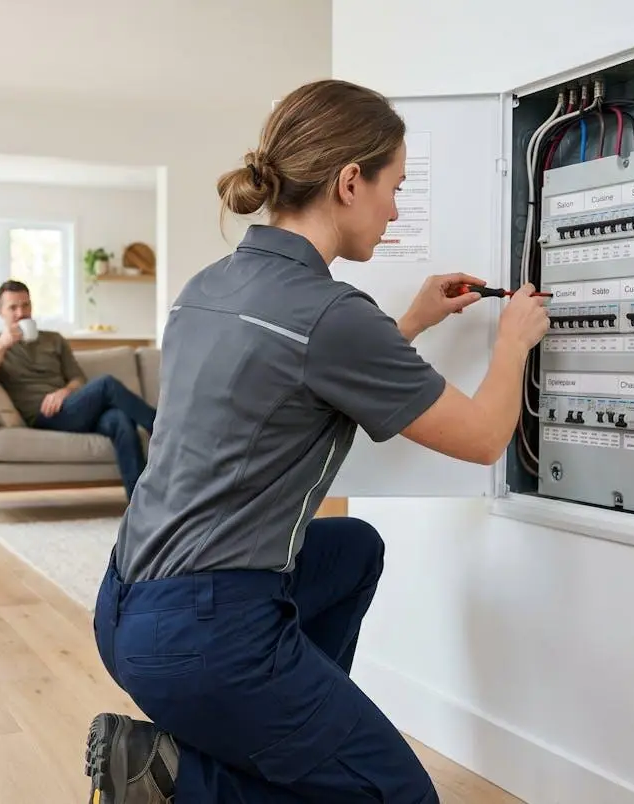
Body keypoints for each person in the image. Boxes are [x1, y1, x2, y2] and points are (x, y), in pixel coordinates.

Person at [82, 78, 551, 803]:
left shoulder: (207, 286)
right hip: (204, 637)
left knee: (352, 549)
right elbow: (487, 437)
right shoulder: (330, 313)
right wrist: (515, 339)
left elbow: (296, 380)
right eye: (394, 187)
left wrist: (414, 322)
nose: (396, 210)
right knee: (401, 796)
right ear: (349, 181)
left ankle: (289, 740)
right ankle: (175, 774)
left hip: (126, 606)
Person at [0, 280, 157, 498]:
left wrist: (65, 391)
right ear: (0, 311)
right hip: (42, 415)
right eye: (13, 307)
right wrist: (3, 344)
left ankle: (141, 507)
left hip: (70, 407)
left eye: (26, 305)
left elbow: (78, 379)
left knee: (120, 420)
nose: (22, 312)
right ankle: (162, 429)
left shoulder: (54, 340)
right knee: (106, 383)